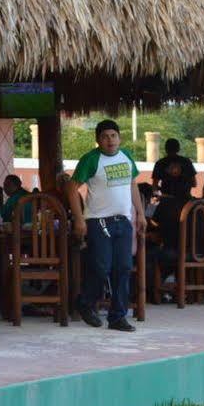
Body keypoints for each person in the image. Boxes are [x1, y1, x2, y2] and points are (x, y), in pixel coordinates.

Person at [70, 119, 141, 331]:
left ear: (119, 138)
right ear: (98, 140)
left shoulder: (126, 156)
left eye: (113, 135)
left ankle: (118, 317)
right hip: (99, 220)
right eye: (104, 136)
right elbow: (71, 189)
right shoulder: (91, 160)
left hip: (123, 221)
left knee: (124, 268)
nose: (110, 140)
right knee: (102, 267)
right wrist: (79, 219)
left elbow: (132, 184)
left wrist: (140, 213)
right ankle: (85, 302)